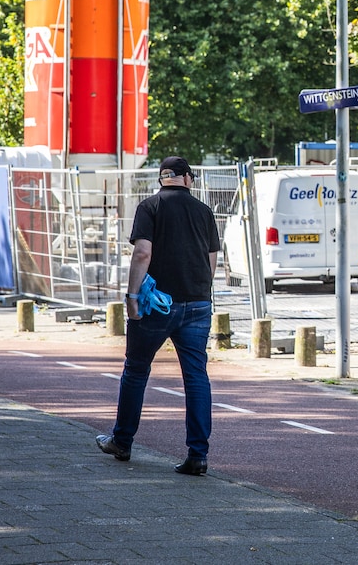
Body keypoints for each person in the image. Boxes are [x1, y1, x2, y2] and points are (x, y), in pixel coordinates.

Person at [97, 156, 221, 476]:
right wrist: (200, 292)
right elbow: (211, 260)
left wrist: (132, 298)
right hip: (197, 305)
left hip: (156, 305)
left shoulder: (149, 207)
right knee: (195, 378)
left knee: (136, 370)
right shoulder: (205, 212)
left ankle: (122, 441)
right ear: (188, 179)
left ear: (162, 179)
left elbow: (142, 253)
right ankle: (198, 455)